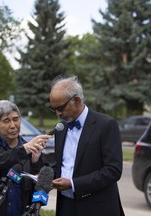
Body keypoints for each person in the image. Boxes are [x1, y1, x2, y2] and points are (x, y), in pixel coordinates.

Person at [49, 76, 125, 216]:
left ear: (76, 100)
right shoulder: (61, 128)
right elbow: (63, 165)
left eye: (60, 108)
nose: (58, 114)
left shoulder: (106, 125)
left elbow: (113, 170)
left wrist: (73, 184)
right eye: (54, 109)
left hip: (97, 208)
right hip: (65, 206)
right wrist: (43, 174)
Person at [0, 100, 52, 216]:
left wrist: (36, 161)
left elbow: (44, 178)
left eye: (15, 119)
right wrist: (23, 150)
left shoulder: (30, 148)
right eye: (6, 121)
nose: (13, 125)